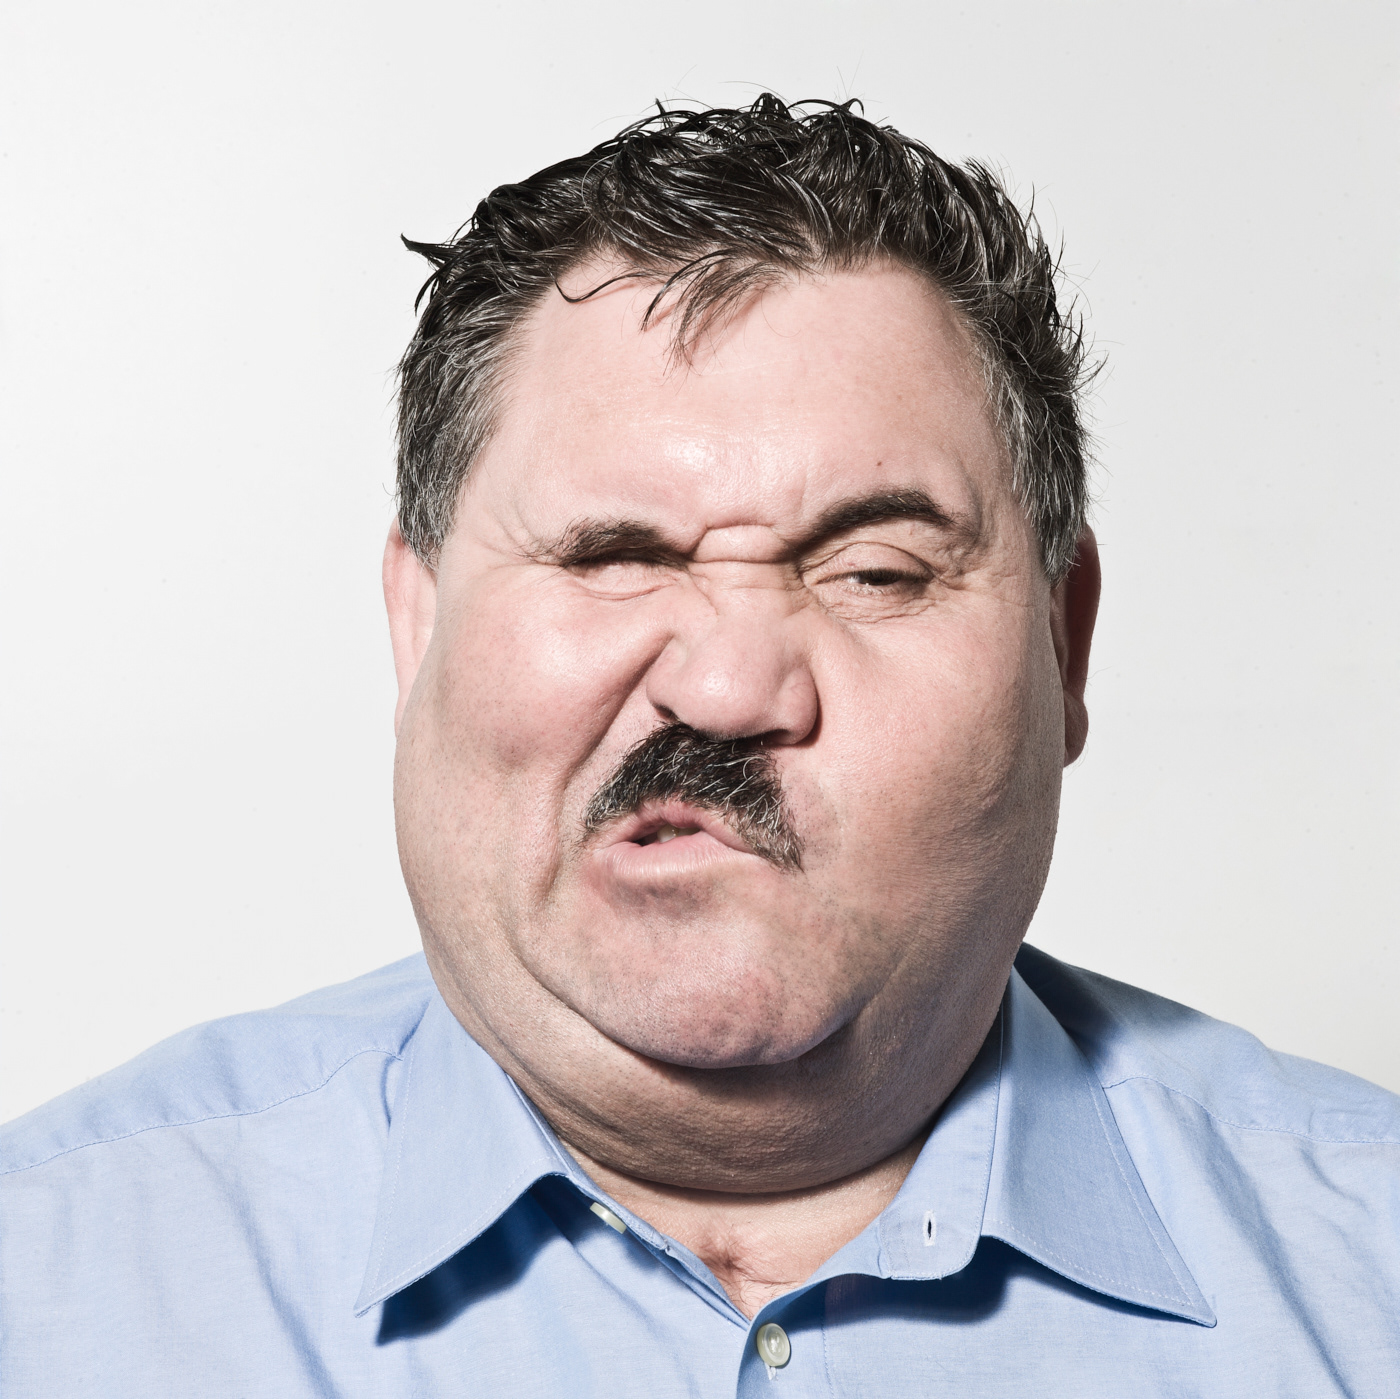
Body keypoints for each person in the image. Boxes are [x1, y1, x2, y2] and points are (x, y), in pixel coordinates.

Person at [2, 95, 1396, 1397]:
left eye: (876, 572)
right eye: (613, 556)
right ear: (416, 624)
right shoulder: (50, 1282)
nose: (727, 688)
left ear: (1064, 641)